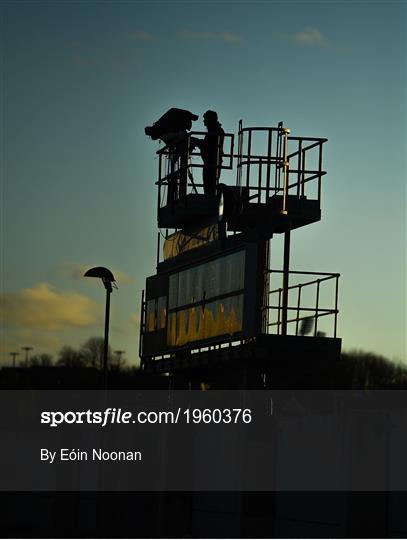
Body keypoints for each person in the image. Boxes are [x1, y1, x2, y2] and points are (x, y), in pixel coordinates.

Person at [194, 110, 224, 196]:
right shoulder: (215, 130)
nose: (204, 121)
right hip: (210, 162)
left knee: (209, 186)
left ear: (210, 119)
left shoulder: (216, 131)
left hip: (212, 163)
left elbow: (209, 145)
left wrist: (196, 142)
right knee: (208, 186)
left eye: (205, 119)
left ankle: (211, 201)